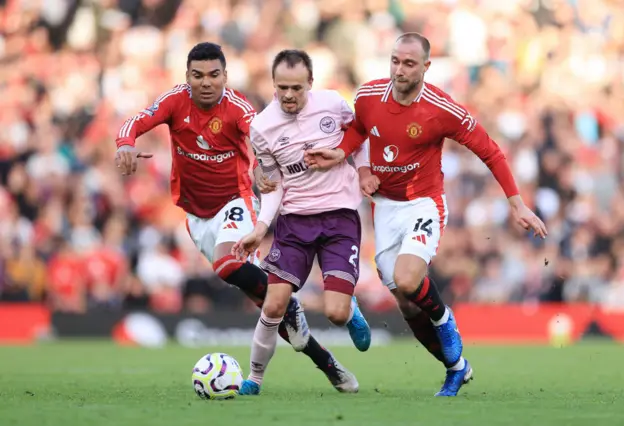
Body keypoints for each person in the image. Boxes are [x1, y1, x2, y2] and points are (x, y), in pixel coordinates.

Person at [304, 33, 548, 397]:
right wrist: (349, 160)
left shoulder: (441, 109)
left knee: (407, 279)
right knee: (405, 301)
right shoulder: (368, 96)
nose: (399, 70)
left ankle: (445, 321)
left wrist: (516, 203)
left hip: (423, 203)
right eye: (395, 61)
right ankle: (456, 367)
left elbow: (490, 151)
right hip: (384, 208)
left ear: (426, 67)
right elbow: (359, 131)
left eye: (409, 64)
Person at [114, 42, 359, 393]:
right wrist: (124, 142)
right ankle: (328, 364)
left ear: (225, 77)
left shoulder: (238, 108)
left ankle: (289, 304)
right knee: (272, 311)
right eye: (198, 76)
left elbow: (259, 138)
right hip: (197, 219)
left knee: (227, 264)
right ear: (187, 77)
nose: (206, 82)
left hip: (236, 203)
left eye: (214, 75)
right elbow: (139, 120)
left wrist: (260, 167)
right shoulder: (175, 101)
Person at [231, 49, 372, 396]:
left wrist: (365, 170)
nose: (289, 95)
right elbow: (273, 183)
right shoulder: (262, 128)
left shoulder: (332, 104)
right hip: (294, 222)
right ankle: (255, 378)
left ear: (310, 83)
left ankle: (349, 308)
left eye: (296, 87)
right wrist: (262, 227)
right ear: (273, 85)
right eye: (282, 87)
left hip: (339, 216)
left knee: (336, 314)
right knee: (274, 304)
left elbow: (362, 135)